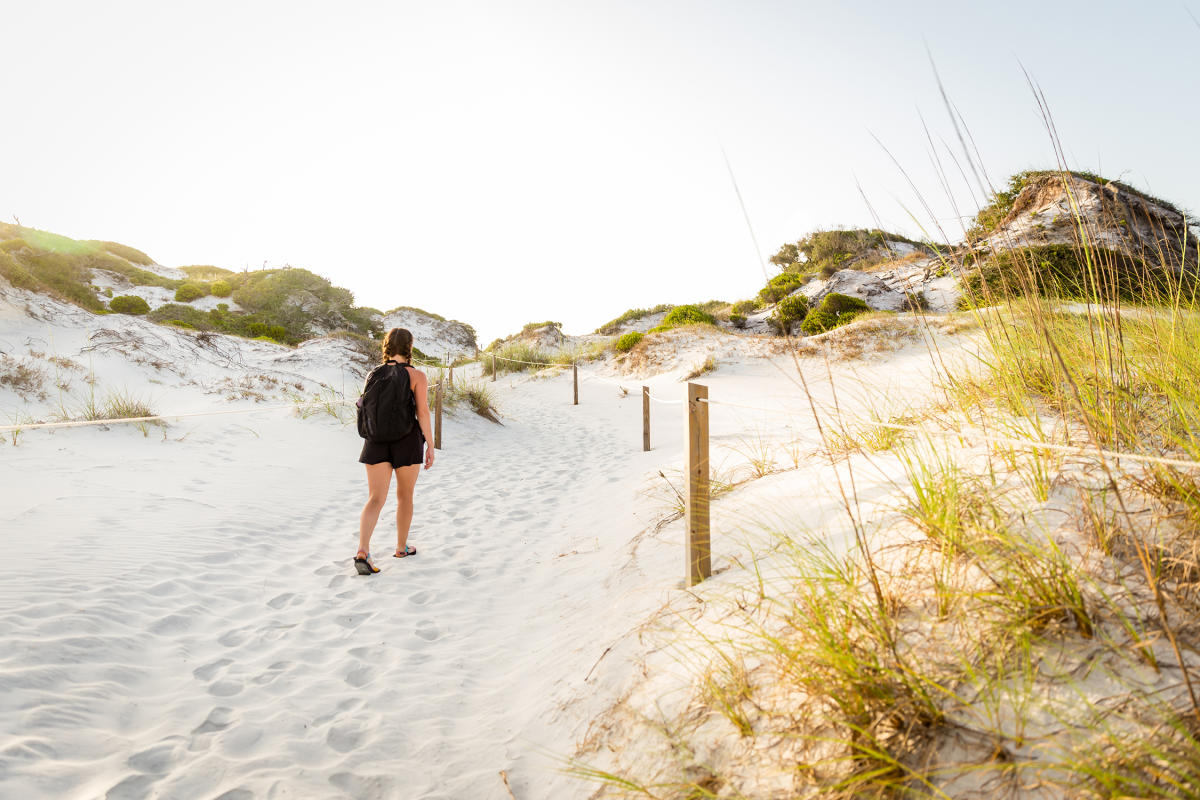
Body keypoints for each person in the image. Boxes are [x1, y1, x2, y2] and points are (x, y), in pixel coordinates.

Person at [354, 328, 435, 574]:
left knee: (375, 498)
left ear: (387, 346)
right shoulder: (417, 375)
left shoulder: (373, 373)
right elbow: (422, 412)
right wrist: (430, 444)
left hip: (375, 440)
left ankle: (363, 551)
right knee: (405, 495)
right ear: (409, 347)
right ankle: (401, 547)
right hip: (406, 440)